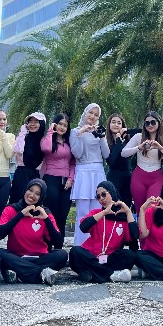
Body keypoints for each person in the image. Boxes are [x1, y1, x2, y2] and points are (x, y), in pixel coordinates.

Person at [0, 179, 68, 285]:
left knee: (62, 255)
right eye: (30, 190)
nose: (32, 195)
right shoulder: (11, 209)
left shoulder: (45, 213)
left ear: (41, 197)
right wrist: (20, 215)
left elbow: (58, 243)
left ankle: (20, 273)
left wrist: (46, 219)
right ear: (25, 190)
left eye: (37, 194)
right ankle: (41, 274)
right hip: (16, 257)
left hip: (39, 258)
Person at [69, 181, 137, 283]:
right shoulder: (96, 213)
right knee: (75, 252)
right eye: (98, 197)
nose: (101, 198)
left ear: (112, 192)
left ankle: (91, 274)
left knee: (130, 255)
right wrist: (104, 212)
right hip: (91, 256)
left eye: (104, 194)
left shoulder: (123, 217)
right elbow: (83, 227)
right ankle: (111, 275)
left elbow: (135, 236)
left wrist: (128, 212)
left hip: (110, 259)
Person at [70, 103, 110, 246]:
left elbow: (106, 154)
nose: (92, 116)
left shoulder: (98, 132)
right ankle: (79, 247)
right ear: (85, 113)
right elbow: (77, 154)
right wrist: (81, 134)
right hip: (83, 172)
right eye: (90, 113)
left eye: (96, 115)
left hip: (98, 172)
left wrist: (102, 137)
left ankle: (95, 247)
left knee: (97, 211)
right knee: (82, 213)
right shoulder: (75, 131)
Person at [122, 112, 163, 210]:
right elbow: (123, 153)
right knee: (140, 208)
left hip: (156, 177)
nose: (150, 125)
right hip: (139, 176)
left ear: (159, 123)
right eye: (147, 123)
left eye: (153, 122)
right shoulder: (138, 137)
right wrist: (139, 147)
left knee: (152, 208)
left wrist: (161, 148)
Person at [40, 113, 75, 239]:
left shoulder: (68, 142)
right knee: (51, 214)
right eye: (60, 124)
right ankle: (48, 244)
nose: (62, 127)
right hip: (51, 180)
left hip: (66, 182)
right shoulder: (47, 139)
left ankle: (59, 244)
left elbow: (73, 163)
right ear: (55, 124)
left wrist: (71, 179)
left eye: (65, 125)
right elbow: (46, 149)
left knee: (63, 215)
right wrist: (50, 131)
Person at [10, 111, 46, 203]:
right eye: (30, 122)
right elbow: (18, 149)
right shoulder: (23, 137)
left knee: (33, 203)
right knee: (17, 201)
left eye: (36, 122)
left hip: (36, 175)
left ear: (41, 124)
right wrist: (23, 131)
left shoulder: (44, 140)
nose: (32, 124)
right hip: (22, 173)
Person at [105, 114, 138, 208]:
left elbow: (144, 130)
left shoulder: (128, 139)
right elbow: (111, 161)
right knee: (113, 207)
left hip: (127, 177)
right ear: (109, 124)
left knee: (126, 207)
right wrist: (118, 141)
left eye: (119, 123)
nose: (116, 125)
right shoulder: (105, 141)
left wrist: (128, 130)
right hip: (113, 177)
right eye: (113, 122)